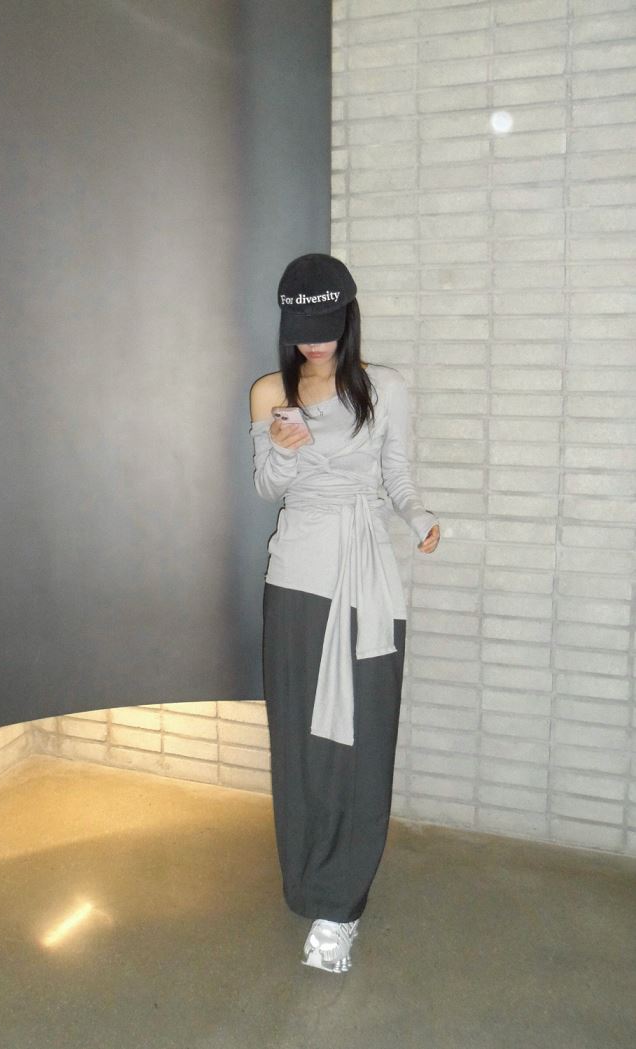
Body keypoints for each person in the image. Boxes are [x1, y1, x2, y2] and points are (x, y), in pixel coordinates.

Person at [249, 253, 441, 974]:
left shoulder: (385, 387)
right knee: (300, 743)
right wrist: (283, 449)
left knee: (362, 744)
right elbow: (268, 487)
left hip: (367, 582)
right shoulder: (270, 391)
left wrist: (418, 516)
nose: (315, 341)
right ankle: (307, 879)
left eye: (327, 325)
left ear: (349, 317)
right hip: (296, 580)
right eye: (302, 327)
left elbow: (397, 477)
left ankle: (341, 905)